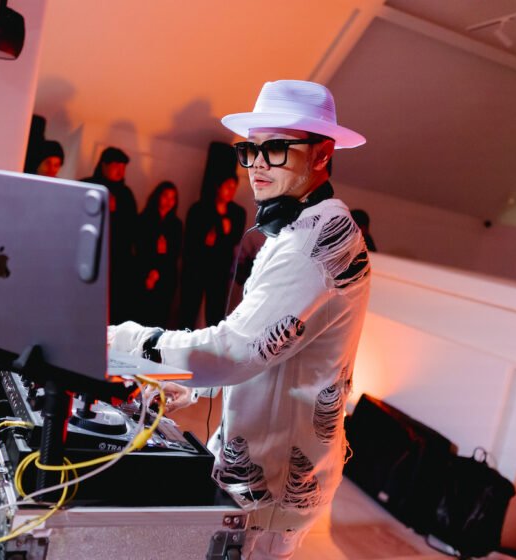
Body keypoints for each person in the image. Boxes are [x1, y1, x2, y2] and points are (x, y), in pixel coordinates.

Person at [108, 80, 370, 559]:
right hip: (255, 472)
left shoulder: (314, 241)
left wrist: (116, 342)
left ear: (322, 154)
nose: (257, 166)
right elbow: (272, 348)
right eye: (250, 150)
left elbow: (235, 352)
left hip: (272, 489)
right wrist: (193, 388)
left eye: (276, 148)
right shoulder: (299, 226)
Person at [179, 174, 246, 329]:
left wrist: (225, 233)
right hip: (196, 267)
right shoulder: (199, 208)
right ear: (218, 187)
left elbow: (235, 239)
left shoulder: (237, 213)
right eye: (227, 187)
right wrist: (206, 239)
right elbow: (190, 239)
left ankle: (212, 342)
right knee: (189, 309)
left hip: (219, 269)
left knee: (215, 313)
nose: (231, 191)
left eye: (234, 188)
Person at [81, 147, 138, 324]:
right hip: (88, 255)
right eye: (116, 166)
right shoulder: (87, 186)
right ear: (104, 165)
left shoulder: (126, 195)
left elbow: (132, 229)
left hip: (117, 262)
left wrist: (116, 212)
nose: (121, 171)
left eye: (123, 167)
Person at [135, 181, 183, 328]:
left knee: (160, 318)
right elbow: (139, 249)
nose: (169, 201)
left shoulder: (176, 224)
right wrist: (150, 273)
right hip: (144, 272)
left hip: (166, 276)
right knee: (141, 316)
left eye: (173, 198)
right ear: (157, 196)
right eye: (165, 196)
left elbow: (175, 253)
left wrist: (163, 253)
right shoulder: (144, 218)